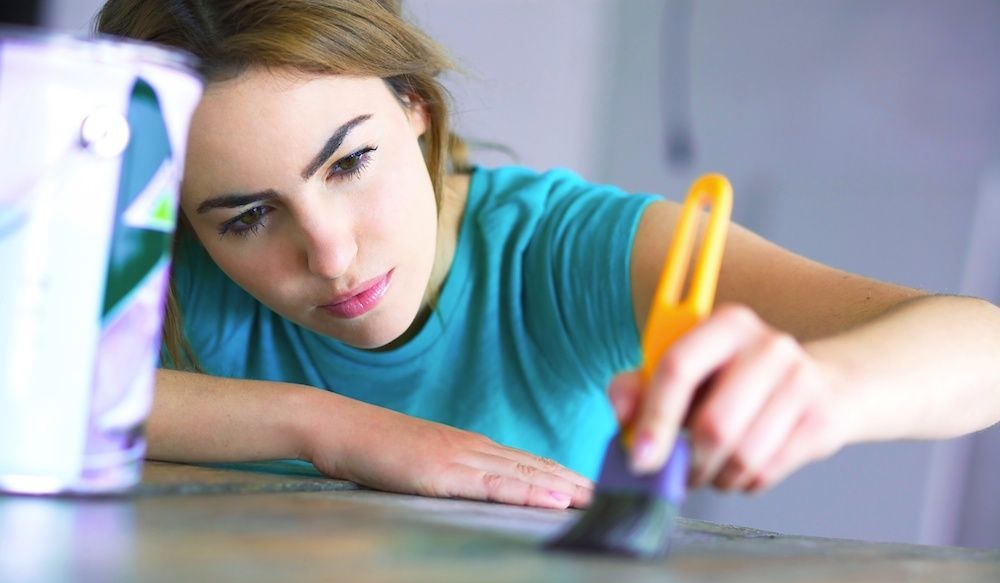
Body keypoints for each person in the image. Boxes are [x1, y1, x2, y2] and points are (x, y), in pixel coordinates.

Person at [95, 0, 1000, 510]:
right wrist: (332, 428)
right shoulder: (162, 272)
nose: (329, 254)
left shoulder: (561, 251)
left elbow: (980, 349)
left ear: (414, 104)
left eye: (351, 161)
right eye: (247, 217)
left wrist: (829, 389)